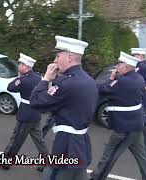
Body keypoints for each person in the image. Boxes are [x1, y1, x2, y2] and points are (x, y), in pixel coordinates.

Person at [30, 35, 98, 180]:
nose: (55, 61)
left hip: (67, 146)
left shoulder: (67, 83)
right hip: (82, 143)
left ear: (69, 57)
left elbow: (36, 102)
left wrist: (45, 79)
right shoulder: (89, 80)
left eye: (58, 56)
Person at [90, 52, 146, 180]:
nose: (116, 67)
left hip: (124, 127)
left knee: (109, 155)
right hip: (136, 123)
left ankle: (96, 177)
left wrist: (111, 78)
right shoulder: (138, 78)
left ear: (125, 67)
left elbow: (101, 89)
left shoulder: (122, 81)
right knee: (141, 155)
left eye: (119, 65)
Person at [0, 53, 49, 171]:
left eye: (20, 64)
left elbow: (10, 87)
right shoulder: (38, 77)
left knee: (16, 138)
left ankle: (6, 161)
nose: (19, 66)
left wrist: (18, 77)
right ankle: (45, 160)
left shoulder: (23, 79)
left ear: (26, 67)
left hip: (26, 113)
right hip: (35, 112)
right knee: (39, 140)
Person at [131, 48, 146, 157]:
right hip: (144, 98)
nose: (132, 57)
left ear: (139, 55)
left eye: (134, 55)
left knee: (145, 124)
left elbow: (133, 77)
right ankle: (133, 143)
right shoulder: (145, 65)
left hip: (143, 98)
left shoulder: (142, 67)